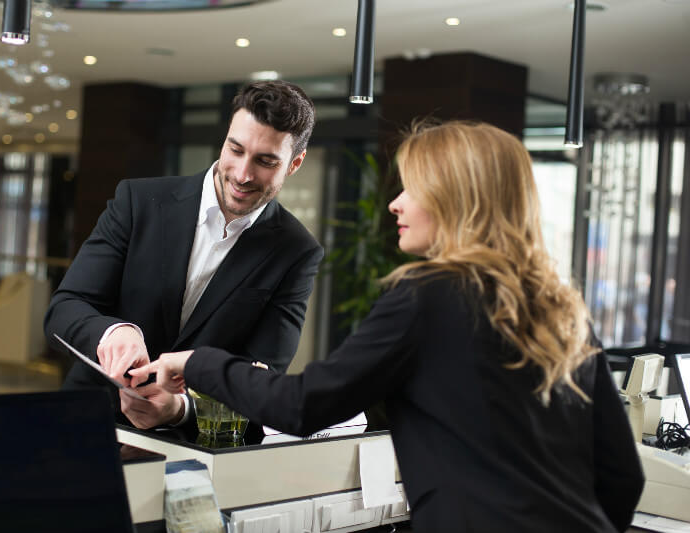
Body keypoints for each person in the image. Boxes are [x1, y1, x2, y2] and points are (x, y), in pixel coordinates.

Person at [134, 122, 645, 532]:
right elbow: (622, 474)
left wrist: (198, 362)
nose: (395, 203)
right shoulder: (561, 307)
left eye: (412, 188)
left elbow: (302, 405)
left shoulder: (428, 295)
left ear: (457, 199)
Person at [44, 80, 323, 429]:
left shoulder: (296, 252)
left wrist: (181, 409)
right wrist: (114, 331)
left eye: (265, 161)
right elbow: (64, 308)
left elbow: (263, 382)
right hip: (88, 420)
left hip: (194, 450)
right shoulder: (138, 202)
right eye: (235, 150)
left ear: (294, 164)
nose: (242, 174)